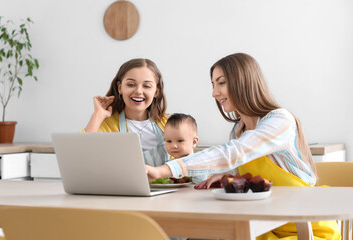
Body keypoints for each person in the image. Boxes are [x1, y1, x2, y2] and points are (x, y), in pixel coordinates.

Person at [146, 53, 340, 240]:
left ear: (243, 81)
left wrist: (163, 170)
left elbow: (235, 152)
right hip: (266, 226)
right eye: (213, 85)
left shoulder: (280, 120)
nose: (215, 93)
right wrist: (232, 178)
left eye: (221, 83)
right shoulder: (238, 130)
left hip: (306, 226)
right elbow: (257, 178)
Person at [82, 58, 170, 166]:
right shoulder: (106, 124)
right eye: (131, 84)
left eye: (146, 86)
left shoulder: (168, 123)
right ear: (120, 88)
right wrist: (98, 115)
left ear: (156, 91)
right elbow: (81, 153)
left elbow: (182, 161)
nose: (138, 91)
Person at [164, 113, 206, 183]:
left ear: (194, 142)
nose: (173, 146)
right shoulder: (168, 165)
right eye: (169, 141)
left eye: (180, 141)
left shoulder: (198, 164)